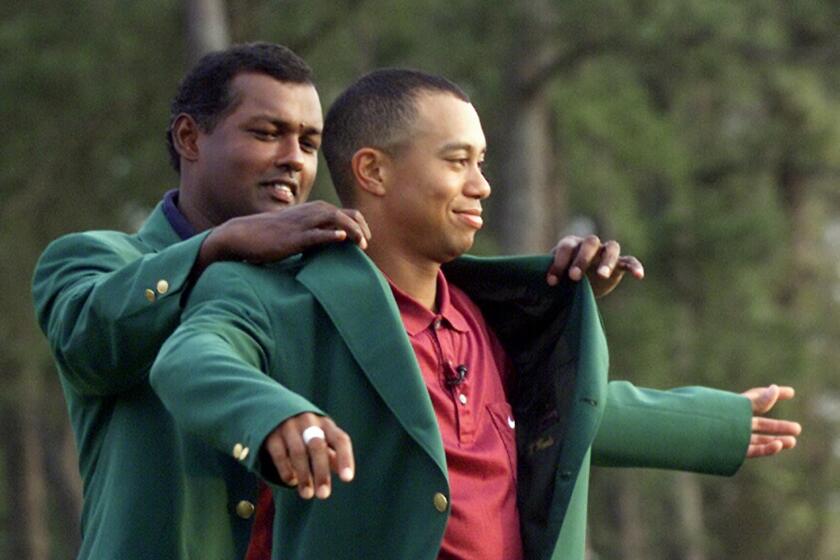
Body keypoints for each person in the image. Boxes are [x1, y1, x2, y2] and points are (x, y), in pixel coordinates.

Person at [149, 69, 801, 560]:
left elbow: (562, 410)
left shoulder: (486, 315)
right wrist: (276, 414)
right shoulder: (277, 296)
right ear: (373, 171)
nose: (481, 185)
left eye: (482, 163)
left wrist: (715, 423)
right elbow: (188, 358)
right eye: (457, 161)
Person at [32, 45, 635, 559]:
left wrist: (719, 423)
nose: (294, 158)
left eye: (309, 141)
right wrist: (215, 248)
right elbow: (92, 341)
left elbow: (492, 410)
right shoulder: (95, 259)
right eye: (267, 133)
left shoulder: (326, 290)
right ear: (190, 137)